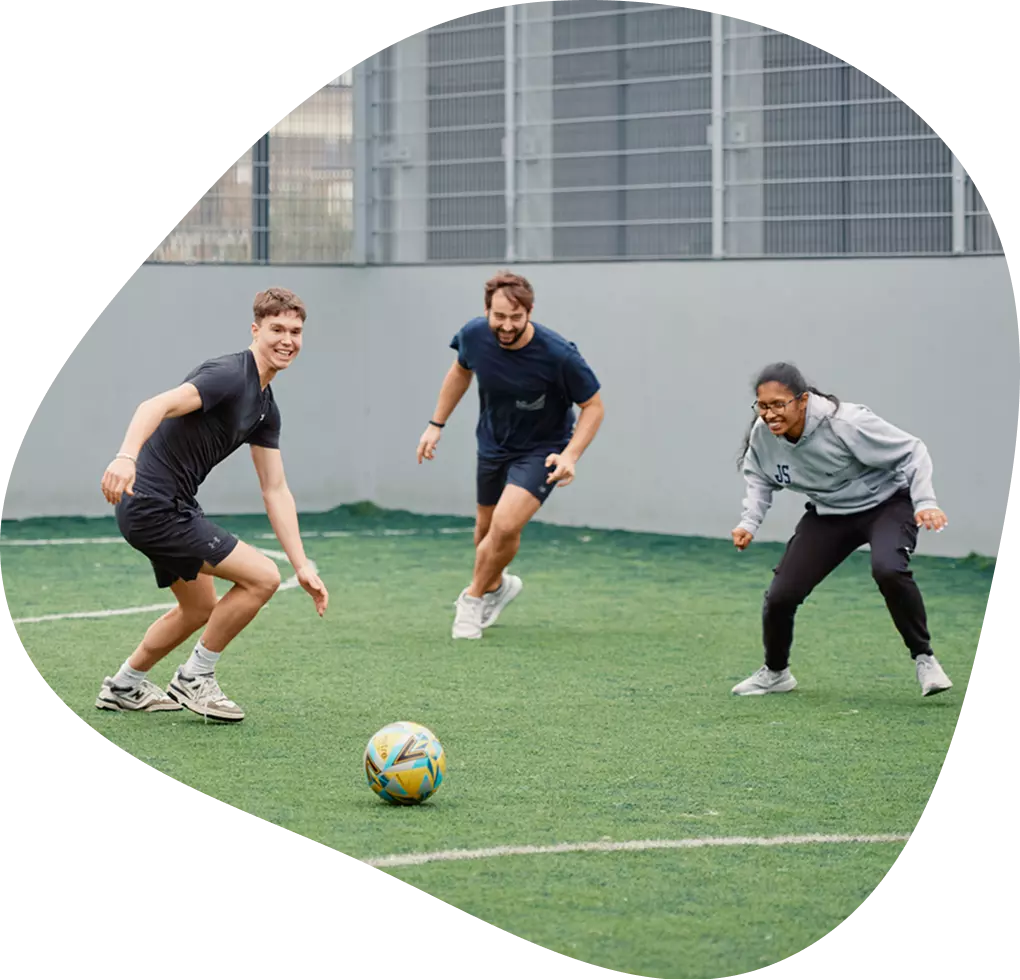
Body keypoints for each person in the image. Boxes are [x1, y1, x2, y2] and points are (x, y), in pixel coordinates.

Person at [94, 287, 328, 722]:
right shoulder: (229, 375)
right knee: (262, 578)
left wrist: (302, 565)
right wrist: (125, 457)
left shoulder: (265, 407)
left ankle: (124, 686)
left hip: (169, 505)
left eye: (295, 331)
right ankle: (194, 678)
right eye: (276, 329)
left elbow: (275, 488)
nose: (287, 340)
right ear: (255, 330)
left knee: (199, 608)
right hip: (154, 506)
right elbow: (155, 405)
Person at [730, 362, 953, 698]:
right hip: (829, 513)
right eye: (763, 405)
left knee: (888, 569)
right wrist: (749, 523)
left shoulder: (846, 422)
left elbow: (913, 451)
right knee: (781, 596)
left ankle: (925, 659)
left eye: (779, 404)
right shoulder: (764, 435)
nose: (770, 413)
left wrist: (925, 502)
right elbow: (759, 477)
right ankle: (776, 673)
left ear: (802, 401)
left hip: (886, 504)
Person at [416, 270, 604, 640]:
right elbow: (460, 372)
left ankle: (471, 600)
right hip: (493, 444)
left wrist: (571, 455)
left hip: (543, 450)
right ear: (486, 310)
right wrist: (436, 424)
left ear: (529, 313)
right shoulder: (473, 335)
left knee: (504, 526)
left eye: (515, 318)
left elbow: (594, 406)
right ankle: (498, 586)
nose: (506, 326)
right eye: (498, 316)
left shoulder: (558, 354)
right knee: (485, 532)